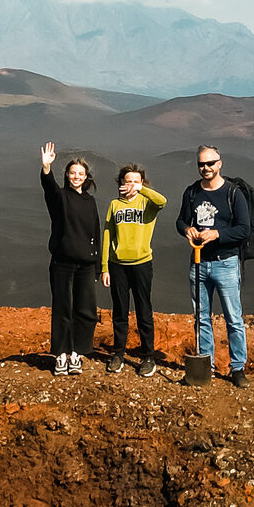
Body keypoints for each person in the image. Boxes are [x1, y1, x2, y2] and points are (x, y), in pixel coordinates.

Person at [175, 143, 250, 385]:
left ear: (219, 164)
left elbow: (243, 229)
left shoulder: (233, 194)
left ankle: (237, 368)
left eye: (210, 163)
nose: (205, 167)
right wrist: (187, 230)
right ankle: (205, 365)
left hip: (226, 263)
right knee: (201, 317)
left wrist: (216, 234)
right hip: (198, 262)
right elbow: (180, 220)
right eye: (201, 164)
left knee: (233, 318)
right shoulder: (192, 192)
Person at [100, 162, 166, 375]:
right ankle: (118, 353)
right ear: (120, 183)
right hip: (117, 265)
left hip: (142, 264)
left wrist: (141, 190)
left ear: (142, 184)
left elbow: (162, 201)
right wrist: (104, 266)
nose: (131, 185)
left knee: (143, 310)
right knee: (119, 311)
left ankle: (148, 356)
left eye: (136, 182)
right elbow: (108, 235)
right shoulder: (114, 205)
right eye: (127, 181)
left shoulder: (147, 204)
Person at [40, 141, 100, 374]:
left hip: (86, 265)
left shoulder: (90, 201)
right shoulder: (60, 198)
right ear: (67, 175)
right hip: (62, 264)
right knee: (63, 308)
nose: (76, 176)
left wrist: (96, 266)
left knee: (85, 310)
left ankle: (77, 353)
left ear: (86, 177)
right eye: (73, 173)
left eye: (81, 174)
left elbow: (95, 233)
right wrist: (46, 168)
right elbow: (49, 188)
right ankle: (61, 356)